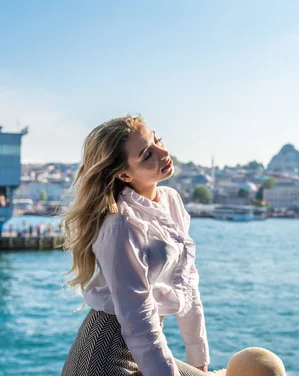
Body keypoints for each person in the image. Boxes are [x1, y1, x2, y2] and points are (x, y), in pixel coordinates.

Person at [62, 115, 210, 376]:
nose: (163, 152)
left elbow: (188, 283)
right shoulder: (121, 224)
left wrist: (198, 356)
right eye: (146, 154)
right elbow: (137, 319)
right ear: (124, 174)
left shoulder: (171, 200)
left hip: (144, 348)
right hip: (106, 357)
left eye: (157, 140)